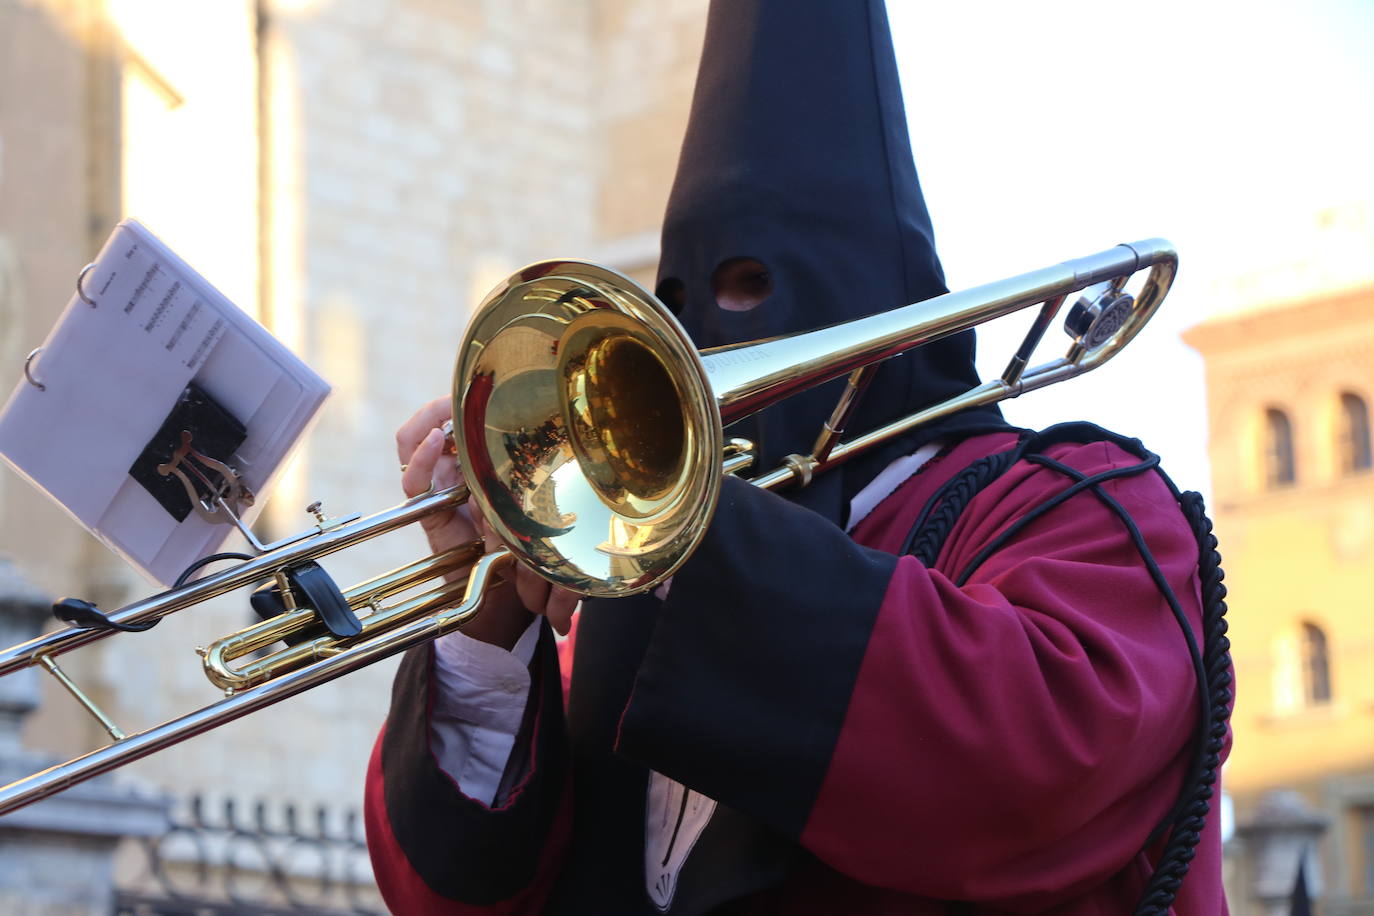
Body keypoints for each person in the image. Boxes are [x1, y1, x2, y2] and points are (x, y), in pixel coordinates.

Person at [364, 1, 1232, 913]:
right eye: (676, 303)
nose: (704, 338)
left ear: (869, 296)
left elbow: (1044, 771)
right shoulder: (628, 601)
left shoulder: (1080, 505)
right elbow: (457, 897)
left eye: (753, 286)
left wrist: (684, 524)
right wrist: (488, 627)